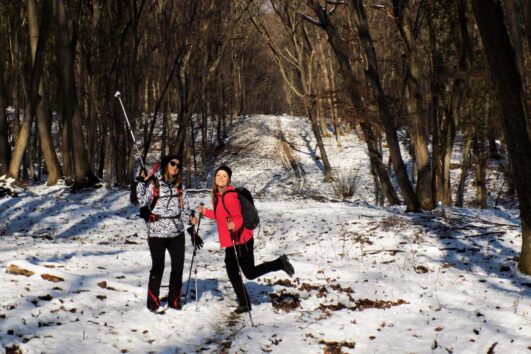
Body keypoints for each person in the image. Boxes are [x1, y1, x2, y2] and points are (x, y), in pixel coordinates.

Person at [193, 165, 294, 314]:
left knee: (249, 273)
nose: (220, 178)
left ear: (229, 179)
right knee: (234, 272)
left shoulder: (230, 195)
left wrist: (234, 224)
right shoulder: (218, 196)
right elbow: (221, 216)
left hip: (241, 240)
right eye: (218, 175)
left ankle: (279, 263)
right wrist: (206, 212)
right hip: (231, 241)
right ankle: (245, 303)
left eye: (224, 176)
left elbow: (238, 217)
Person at [136, 155, 200, 312]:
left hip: (176, 232)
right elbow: (141, 201)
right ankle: (153, 303)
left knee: (178, 268)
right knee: (158, 268)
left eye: (179, 165)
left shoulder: (179, 185)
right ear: (166, 165)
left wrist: (190, 220)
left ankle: (174, 300)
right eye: (173, 164)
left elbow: (184, 209)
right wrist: (141, 182)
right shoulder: (154, 183)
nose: (176, 167)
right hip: (157, 231)